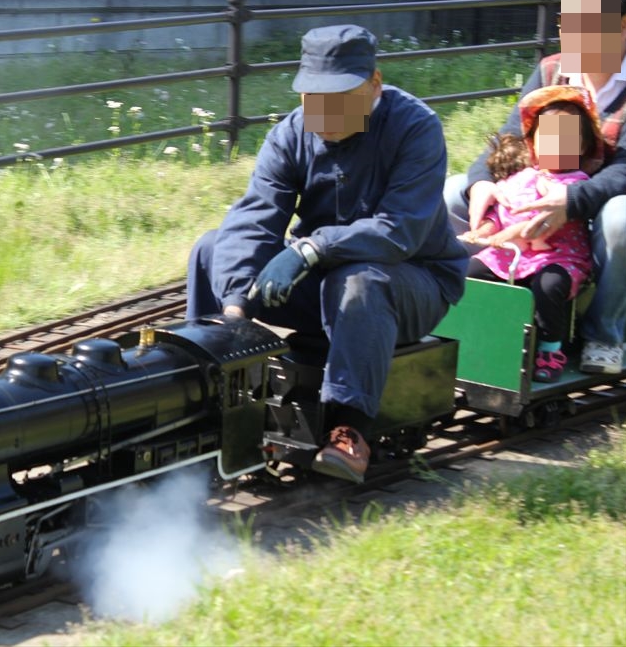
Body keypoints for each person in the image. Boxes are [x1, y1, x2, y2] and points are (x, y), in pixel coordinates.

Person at [186, 25, 468, 483]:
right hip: (323, 275)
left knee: (359, 280)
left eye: (339, 96)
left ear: (374, 84)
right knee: (211, 247)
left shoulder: (416, 128)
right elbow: (256, 216)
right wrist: (237, 308)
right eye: (313, 97)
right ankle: (207, 386)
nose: (323, 111)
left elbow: (399, 232)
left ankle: (349, 428)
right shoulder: (290, 134)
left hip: (412, 282)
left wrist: (312, 249)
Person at [444, 0, 626, 375]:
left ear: (624, 25)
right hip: (539, 194)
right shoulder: (552, 69)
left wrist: (572, 201)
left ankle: (603, 334)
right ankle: (470, 316)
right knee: (451, 193)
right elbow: (510, 139)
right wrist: (482, 183)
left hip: (600, 205)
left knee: (623, 218)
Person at [459, 86, 606, 382]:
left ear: (581, 146)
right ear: (534, 144)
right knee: (470, 271)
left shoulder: (574, 183)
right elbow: (500, 211)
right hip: (512, 254)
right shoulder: (521, 177)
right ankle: (480, 335)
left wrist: (506, 235)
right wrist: (482, 232)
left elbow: (539, 223)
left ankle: (551, 349)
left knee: (549, 286)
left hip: (557, 256)